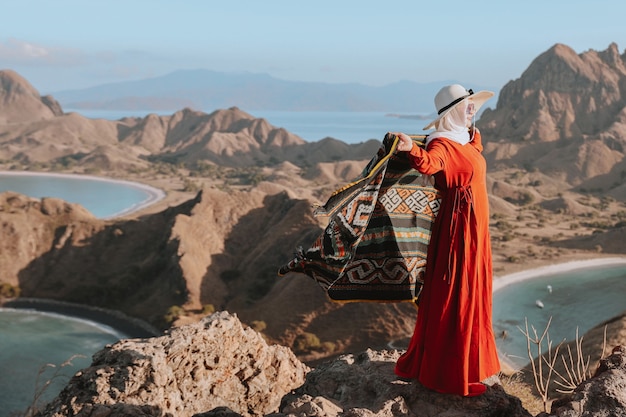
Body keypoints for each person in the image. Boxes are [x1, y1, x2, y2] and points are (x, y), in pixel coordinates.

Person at [391, 84, 500, 397]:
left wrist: (472, 132)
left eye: (472, 107)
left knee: (472, 292)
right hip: (459, 231)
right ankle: (450, 374)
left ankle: (467, 366)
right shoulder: (442, 144)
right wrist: (410, 148)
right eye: (467, 107)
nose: (472, 111)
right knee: (458, 295)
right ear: (452, 111)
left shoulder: (464, 140)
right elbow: (430, 164)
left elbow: (472, 153)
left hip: (476, 230)